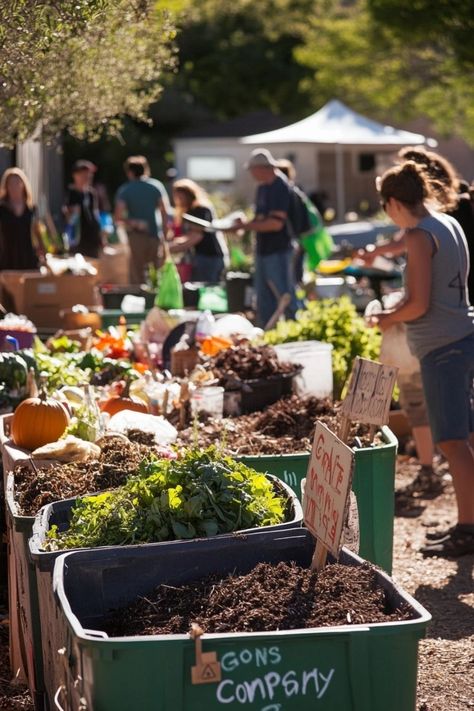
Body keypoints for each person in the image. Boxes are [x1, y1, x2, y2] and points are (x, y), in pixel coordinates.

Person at [369, 161, 474, 557]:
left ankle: (467, 528)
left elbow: (418, 305)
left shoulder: (417, 235)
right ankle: (469, 522)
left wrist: (384, 317)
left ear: (394, 203)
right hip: (464, 335)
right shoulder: (449, 224)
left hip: (442, 348)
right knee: (468, 438)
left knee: (452, 441)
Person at [231, 148, 297, 328]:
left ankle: (295, 328)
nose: (251, 174)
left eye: (252, 170)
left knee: (284, 293)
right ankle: (267, 330)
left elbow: (276, 224)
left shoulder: (280, 187)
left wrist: (245, 226)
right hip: (263, 249)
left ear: (262, 168)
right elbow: (260, 219)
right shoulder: (262, 188)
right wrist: (243, 223)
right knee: (263, 295)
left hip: (279, 249)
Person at [114, 156, 171, 284]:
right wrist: (166, 233)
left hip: (136, 236)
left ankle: (138, 300)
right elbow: (165, 211)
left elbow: (118, 216)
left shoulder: (125, 190)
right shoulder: (156, 186)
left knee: (137, 273)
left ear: (129, 172)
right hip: (155, 234)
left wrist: (133, 222)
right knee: (157, 272)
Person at [168, 179, 228, 282]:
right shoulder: (189, 211)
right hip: (200, 256)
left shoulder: (201, 209)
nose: (179, 200)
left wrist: (172, 248)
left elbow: (196, 236)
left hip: (210, 257)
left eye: (181, 197)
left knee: (207, 290)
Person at [0, 168, 41, 271]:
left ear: (23, 184)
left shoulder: (31, 209)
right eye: (11, 183)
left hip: (28, 255)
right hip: (7, 256)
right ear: (6, 186)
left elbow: (37, 232)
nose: (14, 186)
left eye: (17, 182)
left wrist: (42, 250)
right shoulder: (2, 208)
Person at [63, 160, 103, 259]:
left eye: (89, 174)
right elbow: (68, 217)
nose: (87, 177)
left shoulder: (91, 194)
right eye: (84, 174)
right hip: (77, 240)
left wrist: (101, 236)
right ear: (75, 175)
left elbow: (95, 215)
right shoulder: (70, 194)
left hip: (92, 239)